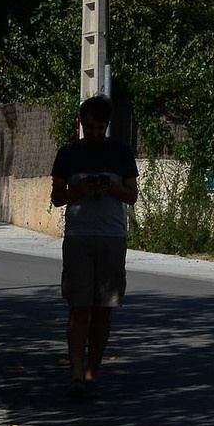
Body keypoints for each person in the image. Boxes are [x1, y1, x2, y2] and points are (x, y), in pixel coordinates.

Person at [49, 95, 140, 401]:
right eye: (90, 127)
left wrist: (111, 186)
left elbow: (132, 196)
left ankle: (92, 372)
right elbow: (57, 197)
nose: (95, 133)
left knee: (104, 310)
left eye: (101, 127)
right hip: (78, 238)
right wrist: (80, 189)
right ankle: (75, 373)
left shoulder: (121, 153)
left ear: (107, 126)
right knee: (79, 309)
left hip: (112, 239)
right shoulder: (68, 154)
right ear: (81, 124)